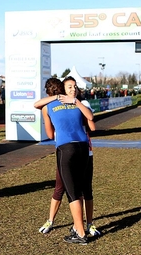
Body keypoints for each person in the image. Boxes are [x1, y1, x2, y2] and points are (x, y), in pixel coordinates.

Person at [34, 81, 101, 238]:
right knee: (82, 189)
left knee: (71, 192)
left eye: (74, 86)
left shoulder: (52, 106)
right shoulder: (77, 103)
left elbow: (49, 133)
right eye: (70, 87)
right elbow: (92, 124)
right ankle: (80, 224)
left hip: (66, 150)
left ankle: (80, 232)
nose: (73, 89)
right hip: (85, 148)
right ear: (62, 90)